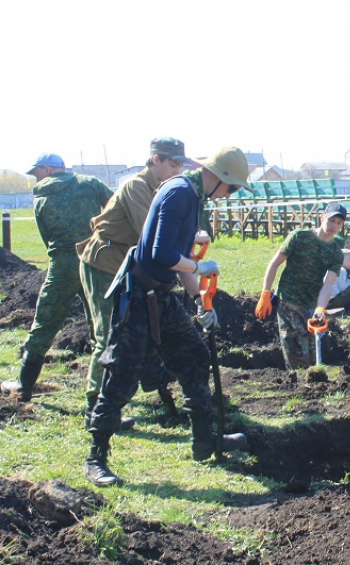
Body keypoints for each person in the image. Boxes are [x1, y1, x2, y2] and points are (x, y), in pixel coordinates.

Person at [84, 147, 250, 487]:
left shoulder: (193, 196)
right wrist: (199, 267)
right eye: (231, 189)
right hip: (137, 298)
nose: (228, 195)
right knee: (122, 376)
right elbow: (161, 253)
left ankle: (204, 442)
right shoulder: (178, 193)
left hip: (161, 295)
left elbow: (180, 258)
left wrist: (201, 302)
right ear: (218, 178)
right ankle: (95, 458)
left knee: (194, 357)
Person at [76, 138, 193, 427]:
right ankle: (95, 409)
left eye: (180, 164)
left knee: (135, 332)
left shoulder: (161, 189)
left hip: (128, 266)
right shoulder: (136, 187)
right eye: (173, 163)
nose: (177, 169)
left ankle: (139, 384)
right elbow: (151, 234)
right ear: (155, 159)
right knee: (108, 335)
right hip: (104, 263)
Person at [0, 154, 113, 402]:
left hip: (62, 264)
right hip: (96, 259)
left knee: (45, 321)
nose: (35, 179)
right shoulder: (91, 183)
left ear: (48, 170)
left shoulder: (40, 200)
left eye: (36, 173)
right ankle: (103, 392)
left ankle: (23, 384)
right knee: (102, 326)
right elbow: (116, 208)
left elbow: (46, 239)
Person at [255, 202, 346, 370]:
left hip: (311, 305)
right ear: (322, 217)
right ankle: (298, 389)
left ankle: (310, 388)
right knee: (297, 355)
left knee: (312, 355)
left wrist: (320, 309)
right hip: (288, 300)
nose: (334, 226)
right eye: (331, 220)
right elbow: (274, 264)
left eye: (339, 223)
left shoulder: (335, 252)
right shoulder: (299, 237)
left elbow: (328, 285)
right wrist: (265, 293)